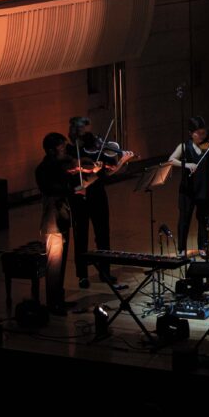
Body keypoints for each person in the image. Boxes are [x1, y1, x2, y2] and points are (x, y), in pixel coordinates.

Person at [68, 116, 131, 289]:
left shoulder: (98, 150)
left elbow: (107, 174)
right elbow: (79, 174)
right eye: (84, 130)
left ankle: (105, 271)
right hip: (79, 197)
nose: (93, 137)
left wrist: (122, 162)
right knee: (81, 237)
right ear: (76, 131)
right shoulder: (72, 151)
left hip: (98, 196)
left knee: (103, 235)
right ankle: (82, 275)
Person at [35, 132, 89, 315]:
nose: (65, 150)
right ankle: (53, 303)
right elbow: (52, 189)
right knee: (54, 266)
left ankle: (59, 299)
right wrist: (73, 188)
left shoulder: (59, 166)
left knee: (61, 264)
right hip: (53, 221)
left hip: (63, 219)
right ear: (51, 150)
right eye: (61, 148)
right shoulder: (43, 169)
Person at [168, 116, 209, 258]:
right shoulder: (184, 146)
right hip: (188, 189)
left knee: (204, 219)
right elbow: (171, 160)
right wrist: (186, 164)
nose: (202, 136)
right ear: (191, 133)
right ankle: (181, 249)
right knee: (184, 220)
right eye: (198, 133)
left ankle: (202, 247)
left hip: (205, 188)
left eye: (204, 133)